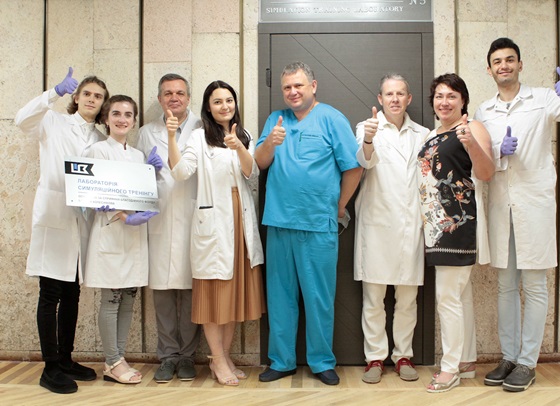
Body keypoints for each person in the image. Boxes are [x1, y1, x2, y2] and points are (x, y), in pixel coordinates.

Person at [474, 37, 560, 392]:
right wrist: (498, 152)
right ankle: (509, 357)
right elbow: (481, 161)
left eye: (510, 59)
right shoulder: (484, 111)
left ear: (520, 64)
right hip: (501, 206)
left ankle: (527, 363)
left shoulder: (544, 98)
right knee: (505, 286)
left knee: (534, 285)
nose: (504, 66)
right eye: (497, 61)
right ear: (489, 69)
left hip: (534, 205)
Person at [255, 61, 362, 386]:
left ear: (313, 86)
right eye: (287, 87)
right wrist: (270, 142)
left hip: (318, 224)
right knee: (280, 297)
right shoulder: (276, 120)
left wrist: (339, 206)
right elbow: (259, 162)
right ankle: (282, 361)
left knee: (319, 297)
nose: (293, 92)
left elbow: (354, 166)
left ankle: (321, 361)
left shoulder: (332, 119)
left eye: (298, 85)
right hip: (280, 222)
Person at [15, 68, 109, 394]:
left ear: (103, 103)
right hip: (55, 216)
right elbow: (21, 120)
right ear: (76, 97)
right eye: (87, 94)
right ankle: (50, 367)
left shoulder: (100, 139)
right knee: (50, 293)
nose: (92, 100)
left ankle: (66, 359)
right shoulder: (53, 122)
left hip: (81, 221)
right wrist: (52, 93)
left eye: (98, 96)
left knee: (72, 293)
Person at [167, 80, 266, 387]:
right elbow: (180, 172)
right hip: (215, 222)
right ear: (208, 108)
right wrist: (171, 137)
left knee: (234, 296)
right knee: (214, 297)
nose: (225, 106)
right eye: (218, 102)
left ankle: (224, 356)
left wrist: (239, 148)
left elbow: (252, 173)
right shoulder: (199, 137)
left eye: (229, 100)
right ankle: (217, 359)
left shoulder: (243, 135)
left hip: (240, 219)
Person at [417, 73, 494, 393]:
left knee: (448, 297)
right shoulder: (433, 134)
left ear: (463, 101)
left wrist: (470, 142)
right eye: (439, 96)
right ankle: (465, 360)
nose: (444, 101)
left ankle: (449, 369)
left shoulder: (472, 128)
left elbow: (486, 172)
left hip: (458, 223)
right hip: (436, 225)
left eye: (451, 96)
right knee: (459, 296)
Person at [354, 74, 428, 384]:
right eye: (389, 94)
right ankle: (374, 358)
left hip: (411, 225)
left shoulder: (423, 134)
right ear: (380, 99)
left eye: (400, 94)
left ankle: (403, 355)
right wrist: (369, 140)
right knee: (373, 299)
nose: (395, 99)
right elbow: (363, 162)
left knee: (407, 299)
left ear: (409, 99)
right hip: (377, 223)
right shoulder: (366, 127)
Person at [83, 95, 158, 384]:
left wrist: (151, 176)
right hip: (112, 233)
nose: (122, 119)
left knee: (128, 299)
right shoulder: (97, 151)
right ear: (106, 118)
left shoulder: (138, 156)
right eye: (116, 113)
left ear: (134, 121)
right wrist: (123, 215)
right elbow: (93, 193)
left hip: (134, 238)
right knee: (112, 299)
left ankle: (119, 359)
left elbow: (138, 194)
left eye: (128, 114)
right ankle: (112, 360)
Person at [137, 73, 202, 383]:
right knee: (162, 293)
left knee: (191, 291)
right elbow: (136, 177)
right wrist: (145, 171)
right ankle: (167, 356)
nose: (174, 98)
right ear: (159, 99)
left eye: (179, 93)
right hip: (159, 218)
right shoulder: (146, 133)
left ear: (188, 97)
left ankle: (187, 356)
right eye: (167, 93)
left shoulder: (202, 128)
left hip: (193, 217)